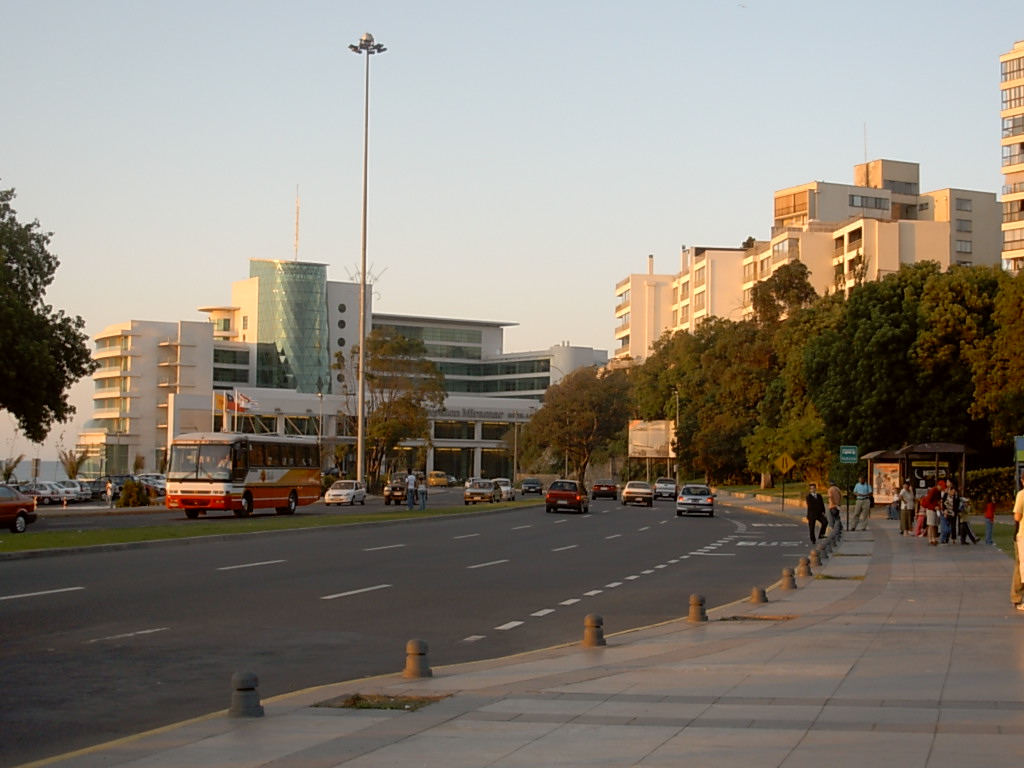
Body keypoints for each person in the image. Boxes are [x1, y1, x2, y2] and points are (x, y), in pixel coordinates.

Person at [1012, 474, 1024, 611]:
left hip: (1023, 534)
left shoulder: (1021, 495)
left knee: (1022, 566)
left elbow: (1017, 516)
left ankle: (1018, 597)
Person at [920, 481, 943, 546]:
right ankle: (930, 539)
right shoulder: (933, 491)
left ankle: (934, 538)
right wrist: (934, 507)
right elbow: (927, 501)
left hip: (935, 509)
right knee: (930, 524)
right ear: (938, 485)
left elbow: (938, 500)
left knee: (934, 524)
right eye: (941, 487)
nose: (942, 489)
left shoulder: (939, 492)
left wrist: (938, 505)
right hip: (930, 509)